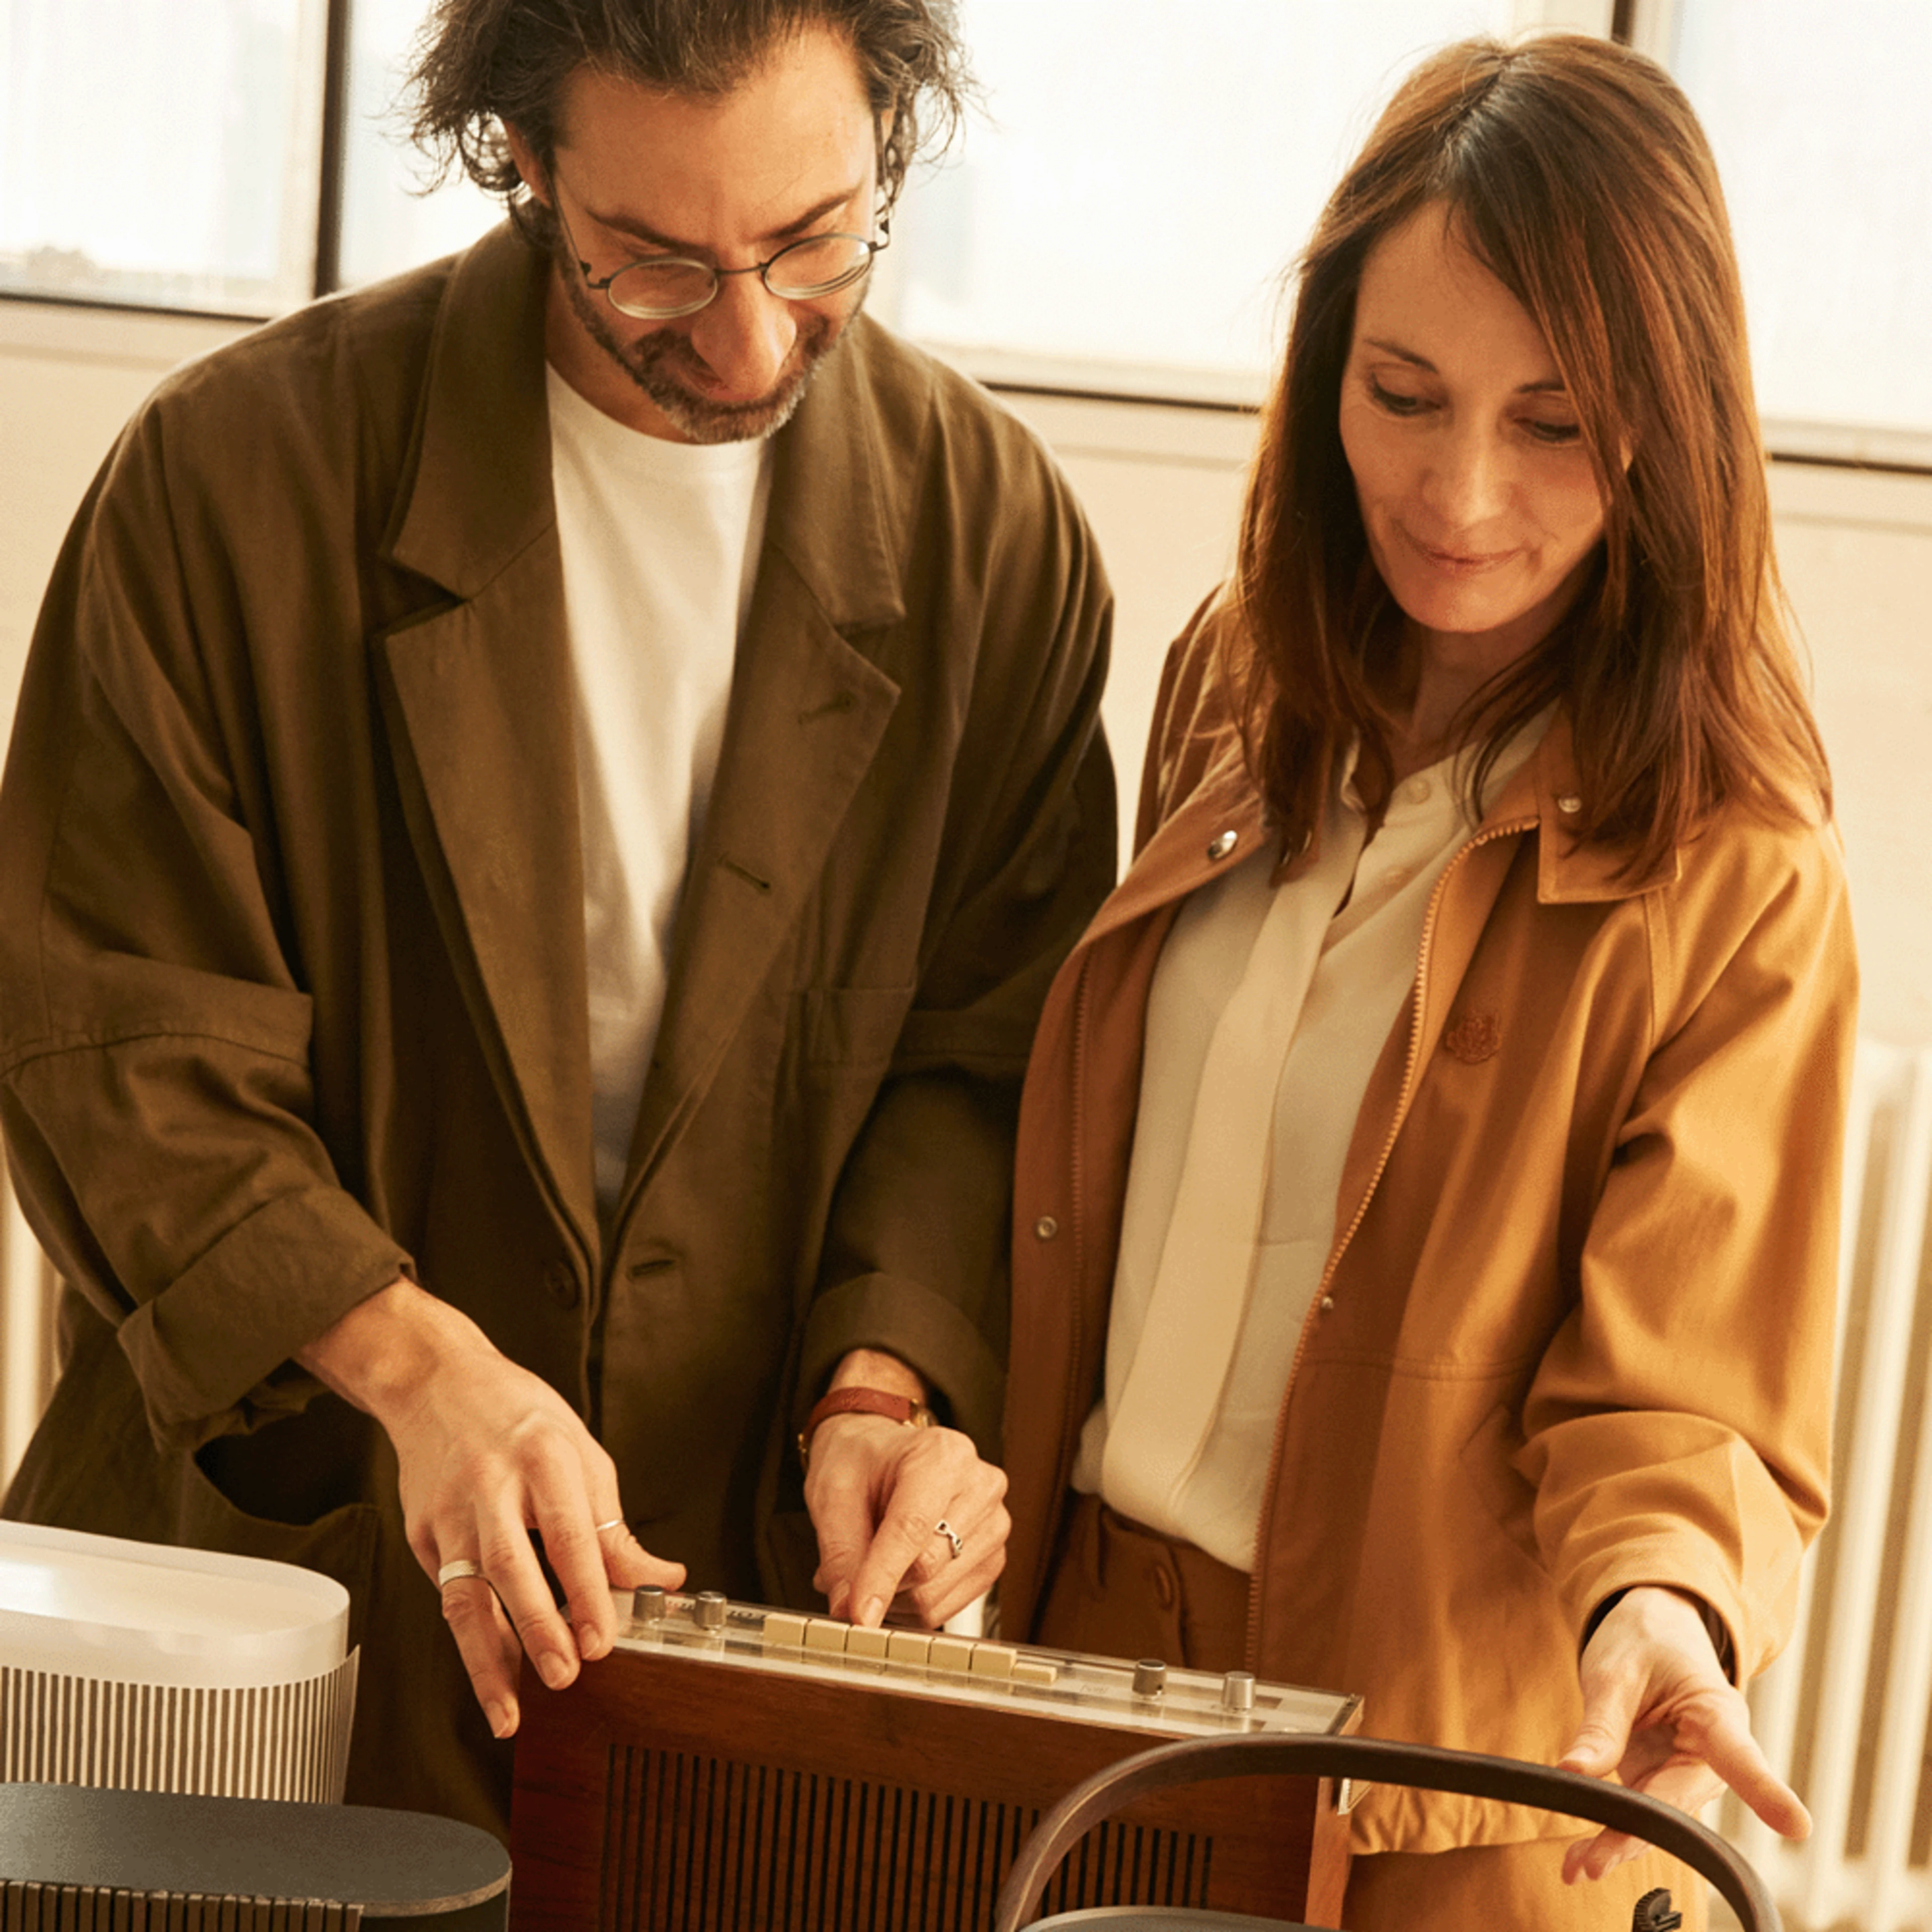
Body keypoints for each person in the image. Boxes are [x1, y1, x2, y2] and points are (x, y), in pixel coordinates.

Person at [0, 0, 1114, 1836]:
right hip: (279, 1575)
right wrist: (414, 1365)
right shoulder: (234, 481)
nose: (753, 338)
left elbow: (987, 1054)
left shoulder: (991, 535)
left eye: (817, 238)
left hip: (732, 1604)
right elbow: (118, 1043)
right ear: (524, 166)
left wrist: (884, 1380)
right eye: (656, 268)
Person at [999, 32, 1854, 1932]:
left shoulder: (1740, 868)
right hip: (1090, 1690)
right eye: (1404, 395)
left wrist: (1660, 1604)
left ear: (1671, 428)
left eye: (1555, 424)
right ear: (1327, 379)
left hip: (1438, 1801)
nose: (1461, 493)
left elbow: (1685, 1392)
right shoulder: (1235, 678)